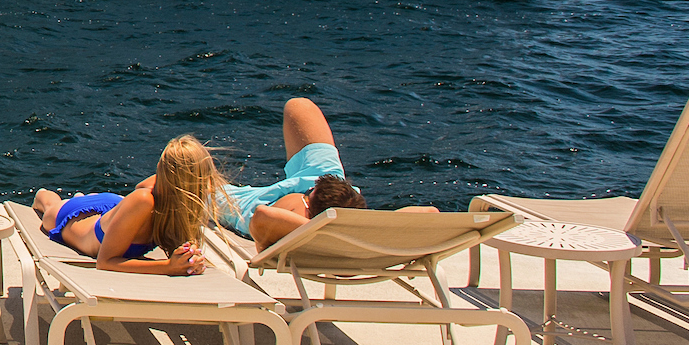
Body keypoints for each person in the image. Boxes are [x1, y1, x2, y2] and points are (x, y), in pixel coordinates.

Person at [218, 97, 435, 247]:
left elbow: (264, 215)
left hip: (256, 202)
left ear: (308, 210)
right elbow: (431, 214)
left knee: (192, 179)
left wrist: (321, 226)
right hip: (330, 193)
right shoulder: (364, 233)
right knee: (299, 106)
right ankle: (322, 190)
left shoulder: (294, 222)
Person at [29, 135, 223, 274]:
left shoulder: (179, 204)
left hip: (118, 209)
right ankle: (47, 194)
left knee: (98, 203)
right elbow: (105, 263)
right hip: (77, 217)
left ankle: (83, 197)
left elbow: (144, 185)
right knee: (49, 210)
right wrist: (167, 267)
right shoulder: (144, 200)